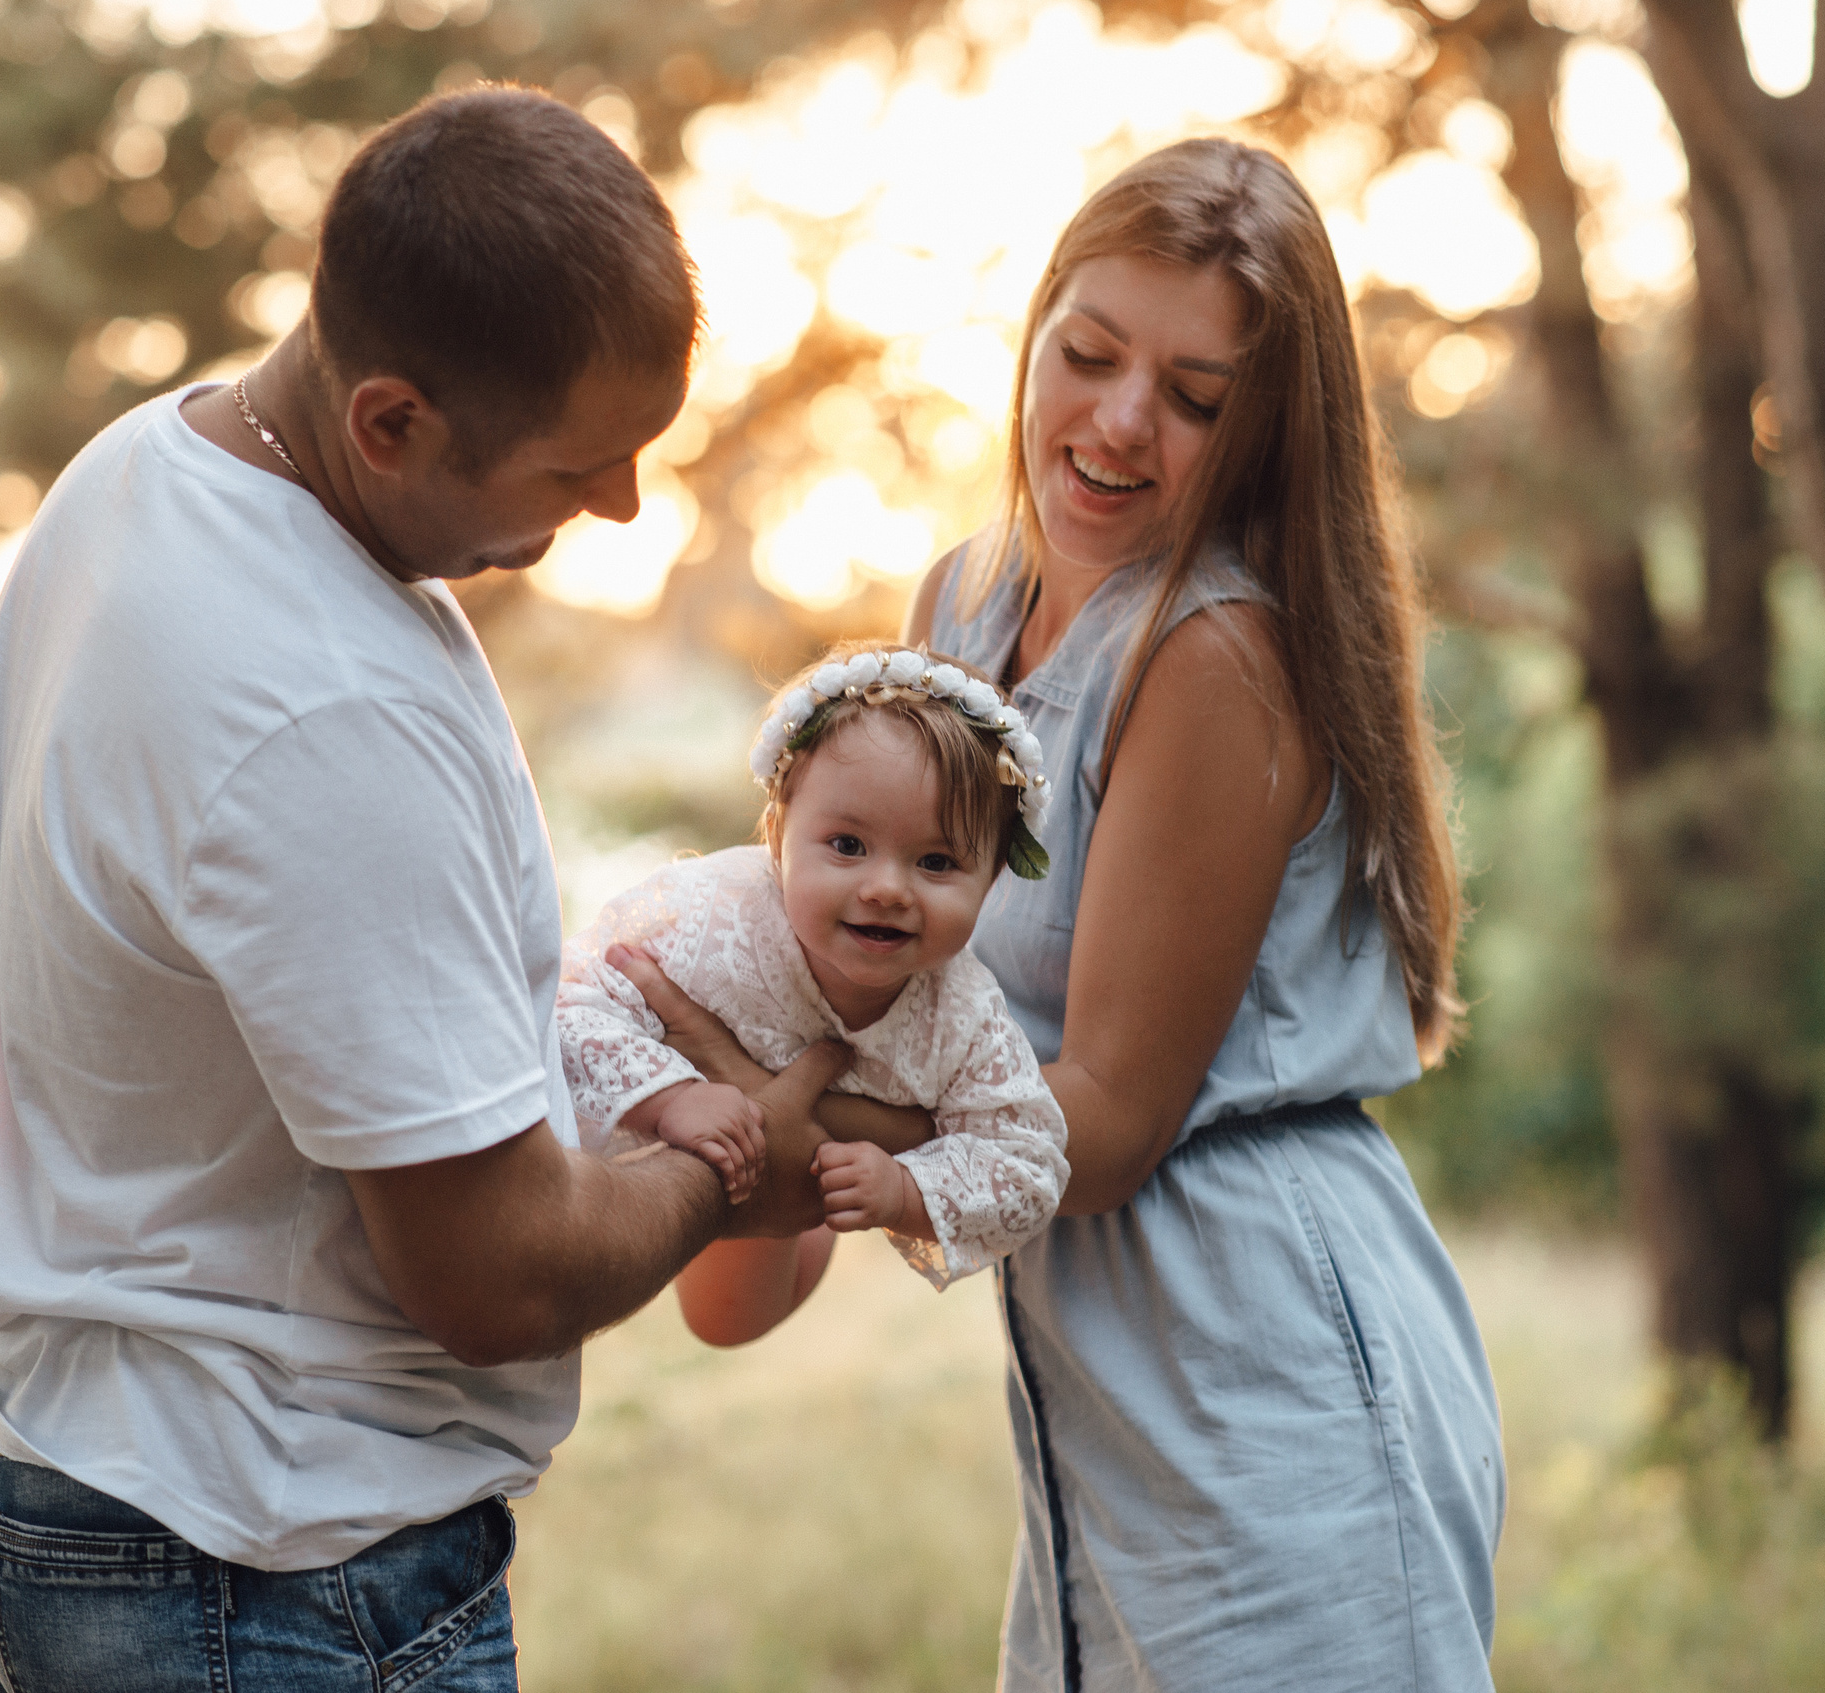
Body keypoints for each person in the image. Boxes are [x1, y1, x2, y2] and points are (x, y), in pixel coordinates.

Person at [0, 86, 840, 1693]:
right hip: (262, 1569)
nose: (624, 505)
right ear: (392, 421)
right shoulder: (320, 707)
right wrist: (739, 1152)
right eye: (581, 468)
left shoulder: (145, 469)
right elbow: (499, 1273)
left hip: (76, 1484)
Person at [619, 138, 1505, 1690]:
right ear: (1033, 333)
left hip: (1268, 1361)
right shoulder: (960, 604)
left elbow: (1105, 1120)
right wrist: (734, 1107)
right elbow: (877, 984)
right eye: (1088, 355)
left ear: (1264, 431)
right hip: (1091, 1391)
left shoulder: (1217, 655)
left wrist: (795, 1125)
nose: (1116, 422)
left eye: (1194, 395)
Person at [559, 643, 1069, 1290]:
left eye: (936, 862)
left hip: (756, 1205)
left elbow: (1029, 1162)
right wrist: (671, 1096)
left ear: (994, 876)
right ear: (776, 835)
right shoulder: (711, 918)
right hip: (579, 1192)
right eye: (848, 846)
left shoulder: (962, 1013)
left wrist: (904, 1187)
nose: (887, 888)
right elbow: (569, 1000)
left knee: (736, 1320)